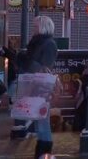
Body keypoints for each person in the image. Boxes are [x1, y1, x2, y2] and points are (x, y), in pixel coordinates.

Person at [20, 16, 59, 158]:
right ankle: (42, 150)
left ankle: (44, 152)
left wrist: (28, 62)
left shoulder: (48, 44)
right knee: (39, 121)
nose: (33, 28)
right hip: (34, 85)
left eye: (35, 26)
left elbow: (45, 67)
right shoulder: (36, 43)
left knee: (43, 121)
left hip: (41, 87)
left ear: (43, 27)